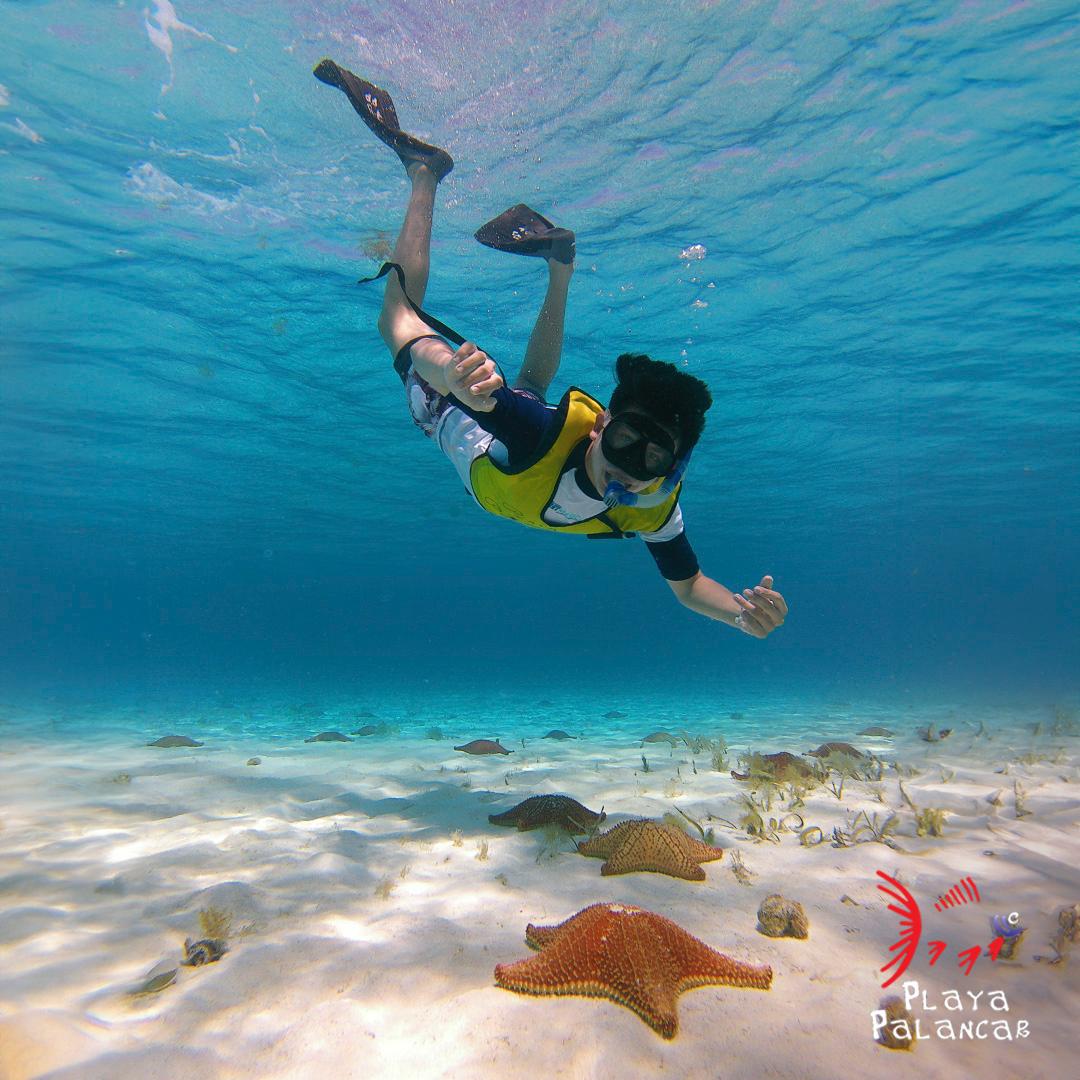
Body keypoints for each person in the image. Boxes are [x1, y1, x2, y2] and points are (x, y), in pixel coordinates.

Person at [313, 60, 787, 640]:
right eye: (624, 441)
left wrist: (741, 613)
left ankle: (561, 266)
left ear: (674, 470)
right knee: (398, 321)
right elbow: (430, 364)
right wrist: (453, 377)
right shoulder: (532, 430)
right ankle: (423, 174)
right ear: (601, 426)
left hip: (501, 425)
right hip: (460, 407)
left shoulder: (655, 509)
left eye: (651, 460)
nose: (628, 466)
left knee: (531, 382)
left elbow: (689, 586)